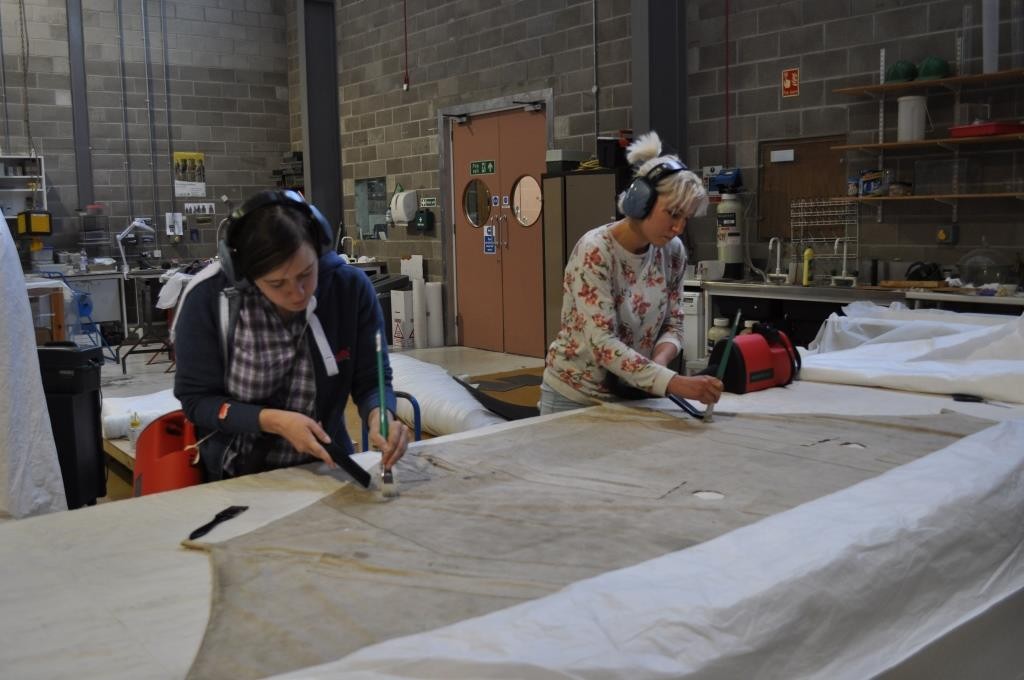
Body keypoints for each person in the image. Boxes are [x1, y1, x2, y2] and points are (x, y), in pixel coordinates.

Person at [173, 190, 408, 480]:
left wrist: (381, 416)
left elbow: (372, 380)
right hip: (235, 475)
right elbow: (197, 401)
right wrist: (275, 421)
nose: (296, 293)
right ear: (245, 274)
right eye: (276, 283)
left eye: (306, 274)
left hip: (325, 468)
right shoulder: (208, 298)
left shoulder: (349, 289)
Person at [540, 131, 723, 414]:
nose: (679, 228)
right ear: (642, 201)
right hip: (575, 397)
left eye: (685, 218)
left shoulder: (672, 251)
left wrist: (658, 366)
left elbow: (673, 324)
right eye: (673, 214)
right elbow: (602, 344)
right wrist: (674, 383)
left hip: (634, 395)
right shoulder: (596, 250)